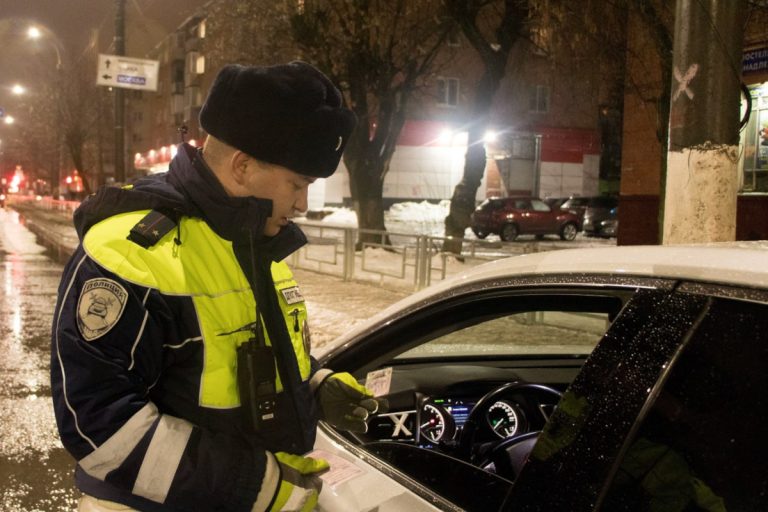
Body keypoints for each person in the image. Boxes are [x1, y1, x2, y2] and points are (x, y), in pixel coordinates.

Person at [51, 61, 385, 512]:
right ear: (242, 166)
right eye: (297, 184)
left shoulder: (252, 240)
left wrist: (313, 385)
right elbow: (97, 424)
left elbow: (238, 357)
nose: (303, 204)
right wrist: (259, 486)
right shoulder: (132, 252)